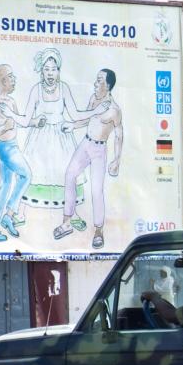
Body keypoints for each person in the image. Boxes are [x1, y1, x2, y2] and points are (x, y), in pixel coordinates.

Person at [13, 48, 109, 227]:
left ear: (59, 70)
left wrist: (96, 111)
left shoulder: (64, 88)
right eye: (47, 69)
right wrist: (35, 121)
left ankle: (73, 215)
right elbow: (26, 120)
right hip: (39, 139)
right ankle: (21, 212)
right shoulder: (36, 90)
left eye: (54, 69)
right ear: (42, 71)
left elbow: (74, 114)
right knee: (33, 172)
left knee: (68, 174)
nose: (50, 73)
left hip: (61, 136)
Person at [54, 68, 123, 250]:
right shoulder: (94, 99)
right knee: (70, 175)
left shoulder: (114, 110)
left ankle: (99, 230)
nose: (95, 83)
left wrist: (116, 159)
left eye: (100, 80)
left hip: (99, 150)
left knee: (96, 190)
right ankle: (67, 221)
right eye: (96, 79)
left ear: (108, 85)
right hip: (85, 144)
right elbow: (88, 119)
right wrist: (73, 125)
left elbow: (119, 135)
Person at [0, 64, 37, 243]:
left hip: (12, 144)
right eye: (11, 77)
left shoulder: (11, 101)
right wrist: (3, 127)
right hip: (6, 147)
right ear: (2, 81)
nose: (14, 80)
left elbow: (18, 121)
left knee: (5, 186)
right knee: (26, 175)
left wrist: (34, 122)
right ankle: (9, 213)